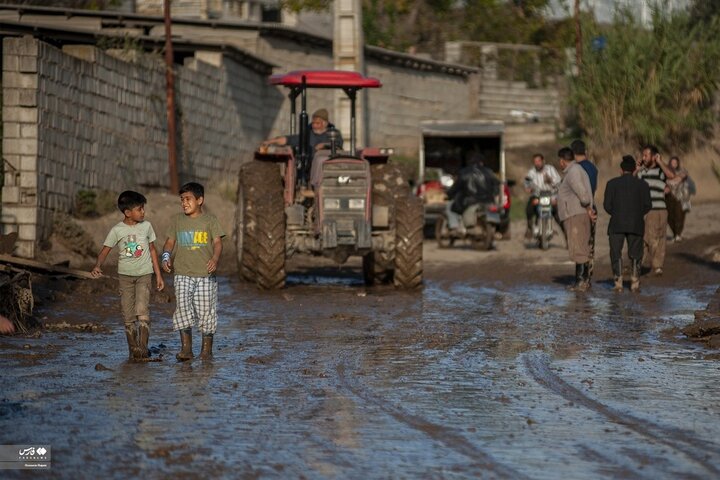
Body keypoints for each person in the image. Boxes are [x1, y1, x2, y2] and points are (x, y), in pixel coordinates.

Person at [91, 191, 165, 361]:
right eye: (140, 209)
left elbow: (153, 250)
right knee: (128, 314)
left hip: (145, 275)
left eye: (143, 209)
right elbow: (105, 251)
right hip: (124, 277)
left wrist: (158, 275)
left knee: (143, 310)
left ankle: (143, 347)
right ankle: (134, 350)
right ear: (127, 212)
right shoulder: (117, 230)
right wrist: (97, 265)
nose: (143, 212)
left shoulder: (146, 227)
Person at [162, 182, 225, 361]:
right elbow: (169, 242)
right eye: (182, 199)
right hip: (182, 274)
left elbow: (218, 243)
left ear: (200, 200)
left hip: (206, 275)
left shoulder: (210, 221)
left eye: (188, 199)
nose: (184, 203)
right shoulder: (177, 220)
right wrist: (165, 257)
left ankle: (206, 351)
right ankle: (186, 350)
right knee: (183, 310)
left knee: (207, 311)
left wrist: (215, 259)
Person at [603, 155, 652, 292]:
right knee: (636, 253)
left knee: (615, 253)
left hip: (616, 223)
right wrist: (637, 214)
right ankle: (634, 283)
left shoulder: (611, 183)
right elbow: (648, 205)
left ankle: (618, 283)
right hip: (636, 223)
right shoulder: (643, 185)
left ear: (621, 170)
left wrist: (617, 213)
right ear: (633, 169)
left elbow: (607, 206)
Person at [557, 146, 596, 291]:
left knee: (578, 249)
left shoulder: (573, 172)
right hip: (578, 214)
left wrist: (587, 207)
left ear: (562, 161)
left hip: (576, 215)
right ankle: (583, 281)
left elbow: (583, 194)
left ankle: (581, 282)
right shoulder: (576, 170)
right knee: (582, 248)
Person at [637, 144, 676, 276]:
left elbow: (671, 175)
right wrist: (637, 167)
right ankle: (641, 264)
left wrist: (660, 161)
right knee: (649, 238)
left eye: (646, 155)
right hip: (649, 210)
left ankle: (658, 266)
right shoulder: (642, 172)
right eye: (643, 155)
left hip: (662, 209)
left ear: (653, 156)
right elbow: (629, 179)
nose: (643, 157)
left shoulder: (661, 172)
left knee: (661, 237)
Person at [446, 153, 500, 233]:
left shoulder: (464, 172)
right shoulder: (489, 172)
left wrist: (449, 194)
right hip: (488, 201)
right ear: (482, 162)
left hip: (470, 201)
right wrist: (493, 195)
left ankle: (455, 227)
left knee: (450, 206)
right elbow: (496, 186)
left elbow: (456, 187)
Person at [571, 139, 598, 280]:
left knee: (580, 245)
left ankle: (581, 279)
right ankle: (588, 276)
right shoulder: (593, 168)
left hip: (581, 209)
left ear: (573, 153)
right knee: (590, 243)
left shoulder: (576, 169)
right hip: (593, 206)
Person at [523, 153, 562, 239]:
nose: (537, 163)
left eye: (539, 161)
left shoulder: (550, 169)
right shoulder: (532, 172)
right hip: (538, 195)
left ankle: (567, 237)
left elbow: (558, 182)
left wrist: (550, 180)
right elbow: (527, 182)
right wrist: (528, 188)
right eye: (535, 162)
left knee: (557, 215)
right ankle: (530, 228)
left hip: (551, 195)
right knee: (529, 209)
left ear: (543, 161)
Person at [665, 156, 691, 242]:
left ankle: (678, 234)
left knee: (679, 216)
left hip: (680, 197)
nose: (674, 164)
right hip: (669, 198)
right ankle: (675, 233)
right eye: (672, 163)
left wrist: (671, 181)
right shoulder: (665, 172)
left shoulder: (683, 170)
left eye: (675, 163)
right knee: (669, 217)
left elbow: (680, 178)